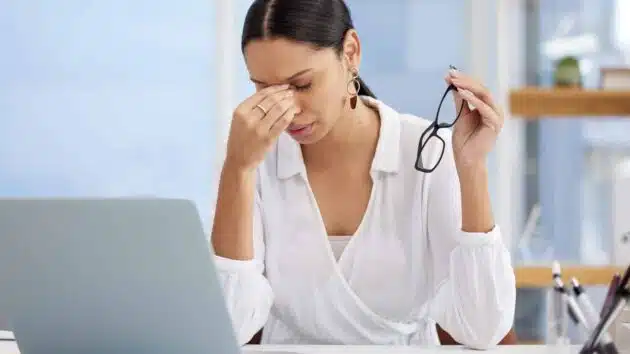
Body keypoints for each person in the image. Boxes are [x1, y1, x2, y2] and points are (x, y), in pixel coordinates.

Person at [209, 0, 516, 349]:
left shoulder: (427, 152)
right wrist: (237, 170)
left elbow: (484, 329)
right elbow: (229, 326)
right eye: (264, 88)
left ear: (351, 53)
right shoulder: (252, 160)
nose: (287, 110)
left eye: (302, 85)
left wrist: (472, 168)